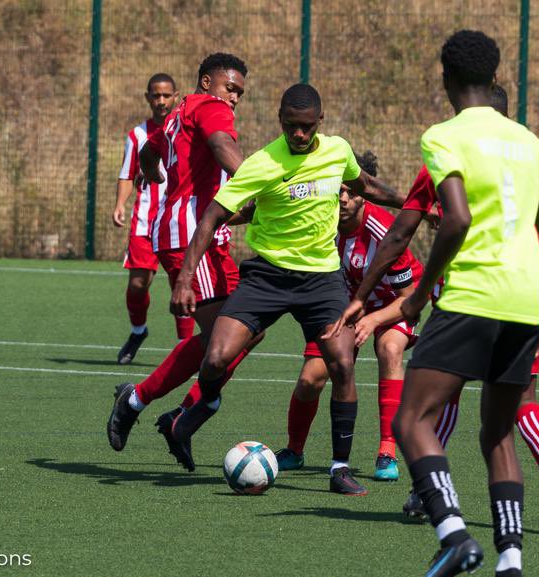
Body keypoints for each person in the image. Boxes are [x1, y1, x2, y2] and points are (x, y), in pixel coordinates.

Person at [335, 31, 539, 576]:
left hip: (472, 296)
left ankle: (453, 533)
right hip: (525, 299)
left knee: (413, 419)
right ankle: (511, 560)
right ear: (494, 76)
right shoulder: (529, 142)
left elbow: (454, 218)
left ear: (446, 79)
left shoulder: (444, 136)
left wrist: (419, 294)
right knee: (498, 433)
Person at [160, 84, 399, 496]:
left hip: (321, 279)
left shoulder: (338, 151)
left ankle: (339, 468)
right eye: (290, 126)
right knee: (215, 358)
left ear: (320, 121)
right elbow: (212, 215)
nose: (298, 134)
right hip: (267, 276)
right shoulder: (263, 162)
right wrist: (185, 278)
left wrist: (416, 205)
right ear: (280, 120)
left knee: (342, 363)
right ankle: (206, 404)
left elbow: (367, 186)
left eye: (306, 127)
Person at [107, 53, 261, 457]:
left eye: (240, 93)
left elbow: (149, 151)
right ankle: (143, 402)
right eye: (231, 88)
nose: (235, 98)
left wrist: (152, 172)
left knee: (251, 327)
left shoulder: (180, 113)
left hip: (200, 234)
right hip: (191, 236)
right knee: (221, 339)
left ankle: (182, 413)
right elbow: (222, 144)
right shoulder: (211, 108)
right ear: (207, 82)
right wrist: (261, 186)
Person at [273, 151, 423, 483]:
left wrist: (373, 320)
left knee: (390, 349)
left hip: (393, 303)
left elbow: (409, 298)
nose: (342, 199)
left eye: (350, 192)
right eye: (337, 190)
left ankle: (387, 451)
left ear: (364, 194)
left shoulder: (383, 230)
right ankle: (294, 450)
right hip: (344, 307)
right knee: (310, 379)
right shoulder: (320, 222)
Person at [112, 73, 193, 364]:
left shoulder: (185, 130)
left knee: (180, 284)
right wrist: (120, 204)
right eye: (155, 95)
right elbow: (127, 174)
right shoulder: (137, 135)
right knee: (138, 284)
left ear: (176, 97)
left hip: (177, 221)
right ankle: (138, 331)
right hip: (145, 222)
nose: (161, 101)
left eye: (166, 95)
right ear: (147, 98)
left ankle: (185, 348)